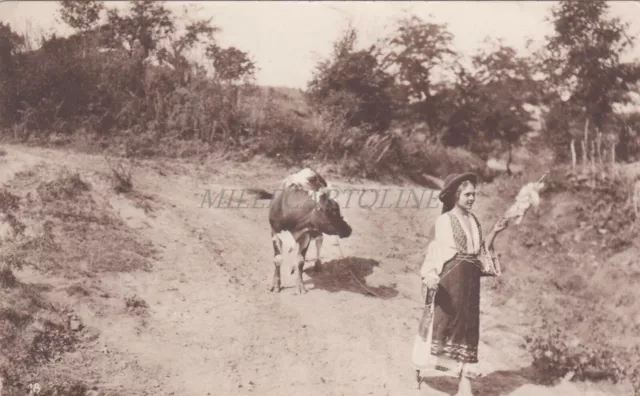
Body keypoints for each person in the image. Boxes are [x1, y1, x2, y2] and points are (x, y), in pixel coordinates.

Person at [411, 172, 509, 396]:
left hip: (470, 284)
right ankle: (418, 368)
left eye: (474, 194)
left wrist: (495, 230)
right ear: (455, 196)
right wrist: (430, 275)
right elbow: (436, 252)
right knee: (441, 324)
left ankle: (465, 383)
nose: (472, 198)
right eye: (467, 195)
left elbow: (479, 252)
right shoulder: (445, 221)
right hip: (450, 282)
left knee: (468, 328)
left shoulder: (474, 221)